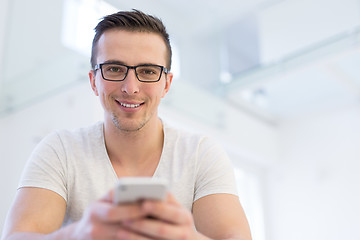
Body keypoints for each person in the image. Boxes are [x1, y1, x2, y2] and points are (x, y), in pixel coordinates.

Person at [2, 9, 252, 240]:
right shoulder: (60, 150)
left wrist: (188, 237)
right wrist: (77, 234)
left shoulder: (200, 154)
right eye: (114, 68)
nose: (130, 87)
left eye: (147, 71)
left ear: (166, 83)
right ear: (93, 81)